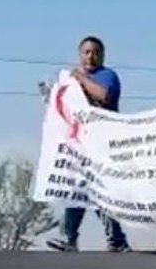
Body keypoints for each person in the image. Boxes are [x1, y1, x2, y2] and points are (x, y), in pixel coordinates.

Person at [45, 36, 132, 253]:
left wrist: (80, 78)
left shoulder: (107, 76)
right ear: (80, 54)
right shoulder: (71, 81)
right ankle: (70, 238)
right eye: (86, 52)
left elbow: (104, 95)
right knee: (78, 190)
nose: (90, 56)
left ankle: (117, 239)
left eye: (95, 52)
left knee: (100, 191)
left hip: (103, 145)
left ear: (102, 55)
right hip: (80, 146)